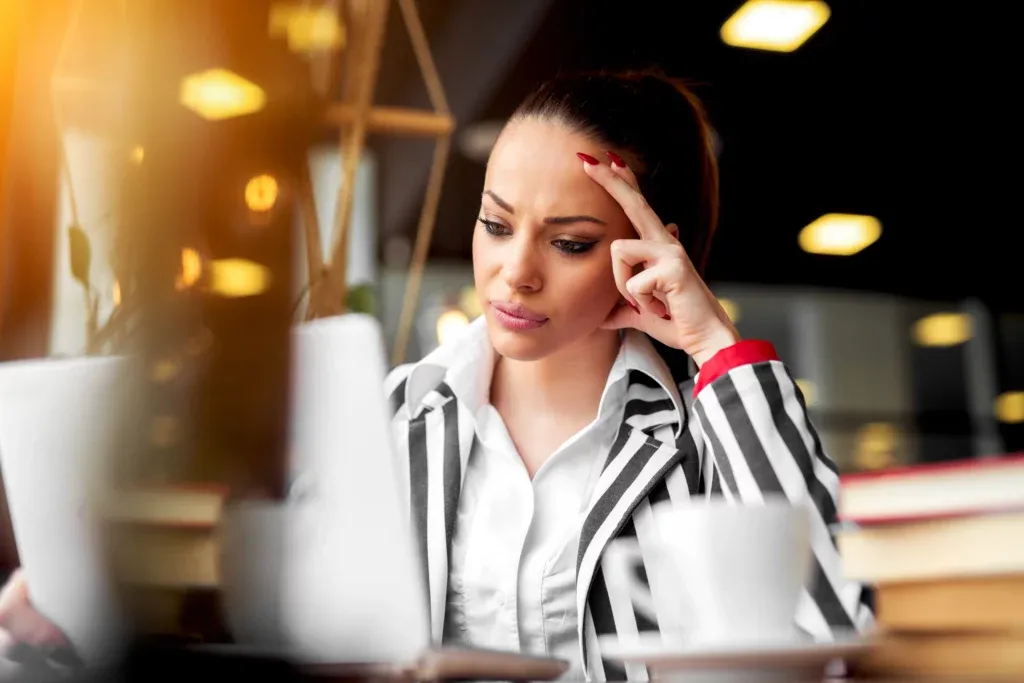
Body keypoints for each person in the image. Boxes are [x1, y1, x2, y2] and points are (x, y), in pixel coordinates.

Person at [0, 70, 873, 679]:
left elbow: (837, 629)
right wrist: (88, 618)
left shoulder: (707, 438)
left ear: (653, 254)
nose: (513, 272)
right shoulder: (385, 423)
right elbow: (262, 637)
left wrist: (716, 345)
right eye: (496, 225)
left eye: (569, 242)